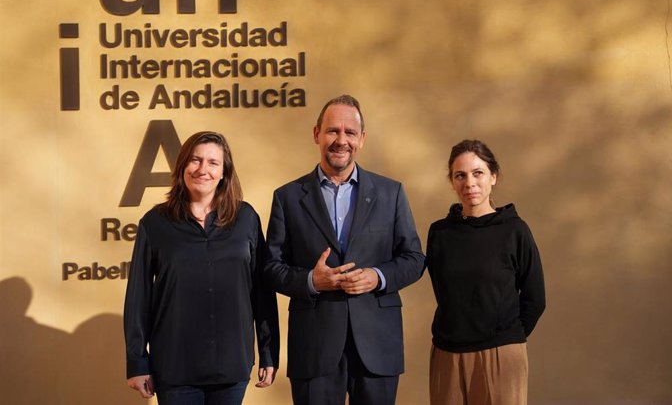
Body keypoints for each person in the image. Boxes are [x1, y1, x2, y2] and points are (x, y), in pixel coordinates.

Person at [264, 95, 425, 405]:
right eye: (332, 131)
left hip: (377, 347)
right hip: (314, 347)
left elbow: (414, 259)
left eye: (350, 133)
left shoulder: (391, 193)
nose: (341, 140)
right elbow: (271, 268)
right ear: (316, 134)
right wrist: (312, 281)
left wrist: (377, 277)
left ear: (361, 139)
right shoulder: (287, 197)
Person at [123, 131, 280, 405]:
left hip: (232, 365)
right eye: (195, 160)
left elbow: (262, 292)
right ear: (182, 166)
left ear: (224, 172)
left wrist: (268, 351)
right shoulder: (155, 222)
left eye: (212, 162)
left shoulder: (246, 218)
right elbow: (139, 298)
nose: (202, 169)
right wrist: (137, 362)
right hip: (175, 367)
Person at [426, 139, 546, 405]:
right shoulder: (440, 233)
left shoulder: (515, 231)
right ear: (453, 181)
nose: (469, 183)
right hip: (447, 353)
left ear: (493, 176)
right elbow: (445, 293)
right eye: (460, 175)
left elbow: (535, 298)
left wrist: (505, 337)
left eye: (478, 173)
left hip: (500, 354)